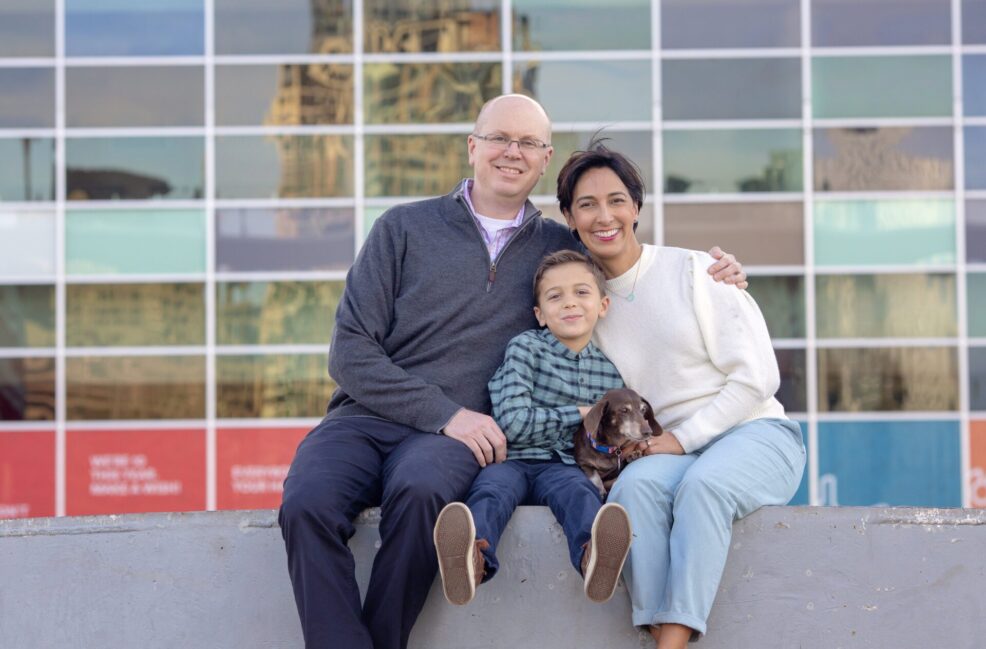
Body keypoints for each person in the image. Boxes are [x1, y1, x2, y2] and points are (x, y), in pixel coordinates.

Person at [278, 94, 747, 649]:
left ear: (544, 159)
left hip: (457, 438)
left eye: (528, 143)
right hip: (372, 419)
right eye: (500, 137)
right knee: (306, 501)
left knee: (422, 495)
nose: (512, 152)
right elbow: (350, 352)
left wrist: (715, 274)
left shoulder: (560, 248)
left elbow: (629, 279)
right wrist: (445, 413)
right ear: (473, 146)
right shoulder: (402, 228)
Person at [554, 140, 807, 649]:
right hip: (672, 451)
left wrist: (683, 437)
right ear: (568, 217)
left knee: (705, 489)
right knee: (633, 492)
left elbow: (758, 377)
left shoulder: (695, 270)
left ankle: (670, 645)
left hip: (754, 434)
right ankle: (658, 624)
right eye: (587, 204)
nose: (605, 216)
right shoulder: (585, 306)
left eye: (617, 200)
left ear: (637, 209)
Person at [433, 250, 633, 609]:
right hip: (513, 460)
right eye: (555, 296)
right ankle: (473, 560)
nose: (569, 304)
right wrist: (582, 413)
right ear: (540, 315)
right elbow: (512, 423)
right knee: (491, 492)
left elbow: (609, 439)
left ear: (603, 305)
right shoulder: (525, 349)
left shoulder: (611, 374)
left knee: (579, 495)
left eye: (581, 293)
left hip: (565, 468)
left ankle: (593, 558)